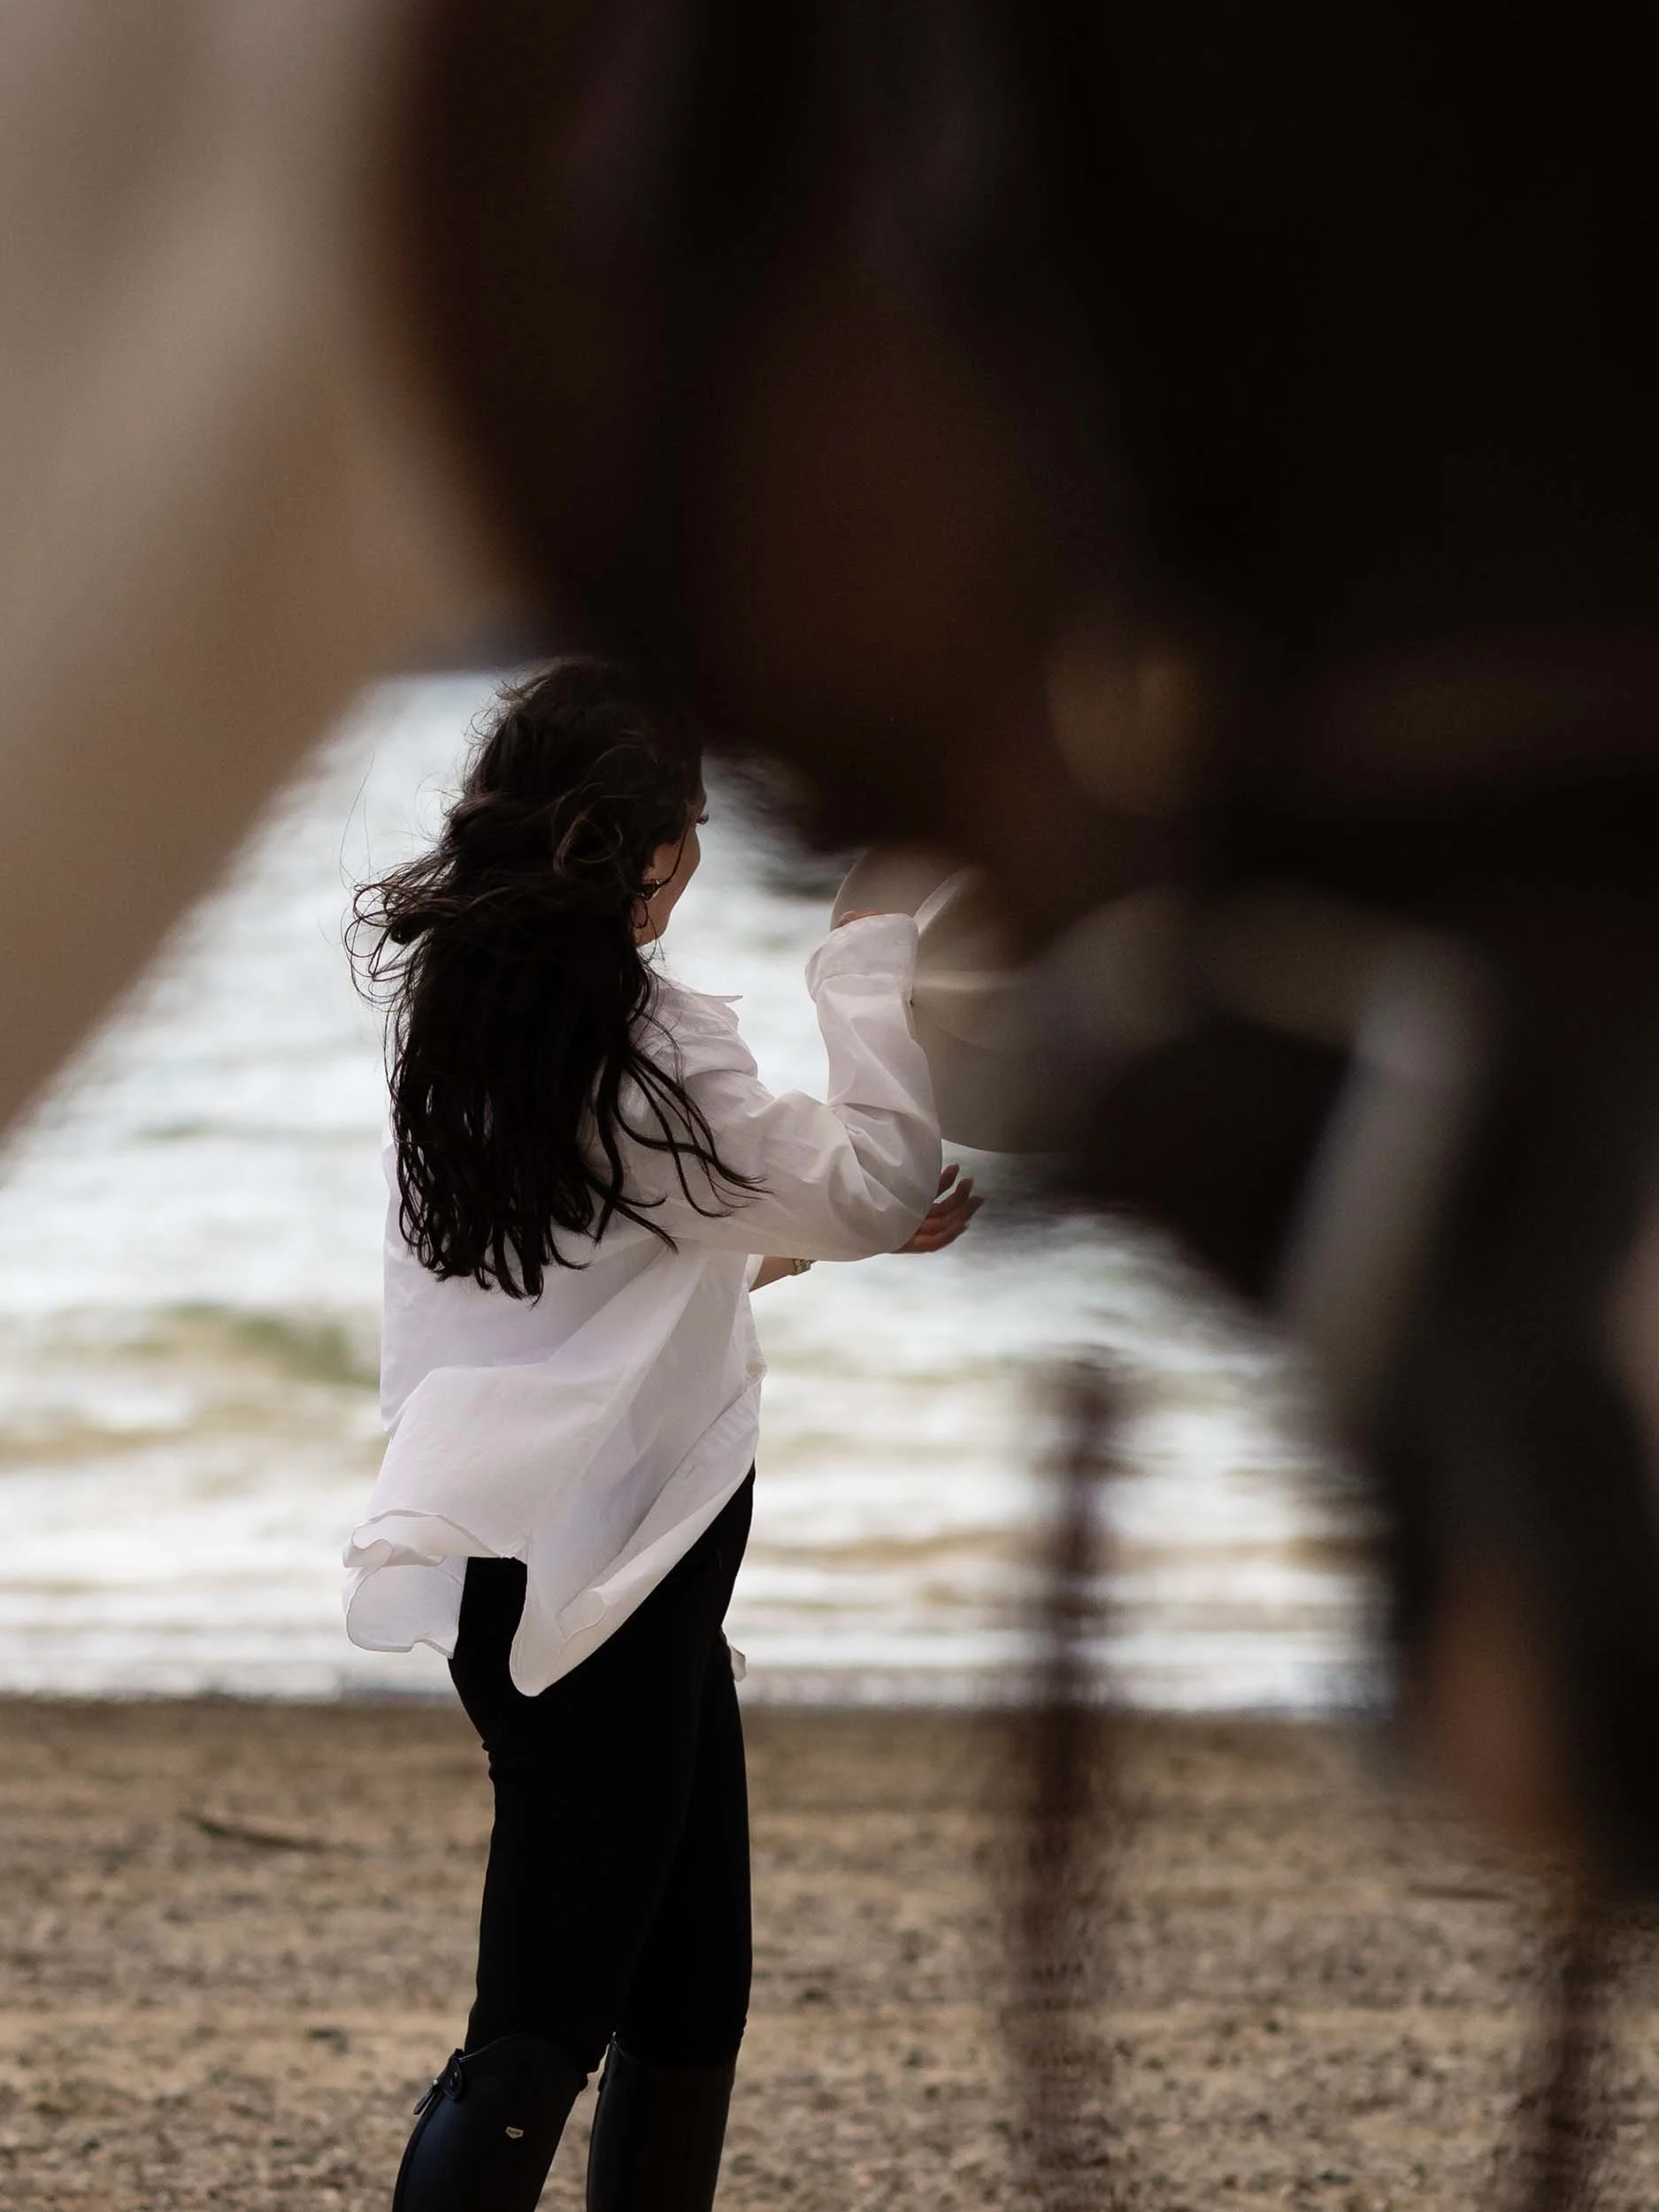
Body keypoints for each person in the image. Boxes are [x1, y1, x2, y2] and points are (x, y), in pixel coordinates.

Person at [342, 657, 979, 2211]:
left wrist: (823, 1233)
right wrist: (864, 955)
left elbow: (612, 1264)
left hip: (575, 1568)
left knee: (688, 1996)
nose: (690, 860)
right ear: (648, 846)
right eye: (689, 826)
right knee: (542, 2023)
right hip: (600, 1591)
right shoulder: (646, 1040)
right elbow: (876, 1172)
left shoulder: (477, 1021)